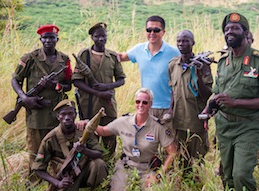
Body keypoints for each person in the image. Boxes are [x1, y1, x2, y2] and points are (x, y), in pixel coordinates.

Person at [202, 13, 259, 191]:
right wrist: (210, 108)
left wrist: (235, 102)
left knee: (241, 174)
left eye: (235, 28)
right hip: (224, 126)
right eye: (227, 29)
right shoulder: (222, 62)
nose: (229, 32)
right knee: (227, 176)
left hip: (249, 126)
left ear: (245, 33)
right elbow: (218, 93)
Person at [95, 88, 177, 191]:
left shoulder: (157, 126)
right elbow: (103, 131)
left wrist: (159, 175)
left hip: (147, 168)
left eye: (145, 102)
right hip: (127, 166)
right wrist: (86, 123)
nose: (140, 105)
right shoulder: (124, 121)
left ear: (150, 105)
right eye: (138, 102)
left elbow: (173, 152)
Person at [11, 24, 72, 182]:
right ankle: (34, 181)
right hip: (36, 113)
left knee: (57, 148)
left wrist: (56, 86)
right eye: (45, 38)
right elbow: (15, 80)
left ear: (57, 39)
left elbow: (68, 84)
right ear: (40, 39)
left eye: (51, 38)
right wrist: (24, 98)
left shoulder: (64, 60)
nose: (48, 41)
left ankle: (56, 179)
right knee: (35, 149)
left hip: (58, 113)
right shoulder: (29, 58)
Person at [32, 99, 107, 191]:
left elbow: (99, 154)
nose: (67, 117)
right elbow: (38, 169)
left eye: (70, 113)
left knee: (99, 164)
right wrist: (57, 183)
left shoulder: (84, 133)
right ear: (58, 117)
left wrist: (85, 150)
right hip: (66, 180)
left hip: (83, 173)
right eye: (63, 114)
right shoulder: (50, 139)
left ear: (75, 115)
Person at [118, 15, 180, 135]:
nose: (152, 33)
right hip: (146, 106)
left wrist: (172, 109)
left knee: (168, 144)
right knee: (148, 145)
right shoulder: (139, 50)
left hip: (167, 107)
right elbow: (120, 57)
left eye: (156, 30)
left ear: (163, 32)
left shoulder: (174, 52)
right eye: (149, 30)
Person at [72, 22, 126, 157]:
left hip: (108, 104)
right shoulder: (84, 55)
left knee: (110, 134)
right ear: (92, 37)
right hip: (89, 104)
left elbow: (121, 79)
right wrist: (98, 92)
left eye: (103, 36)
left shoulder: (113, 56)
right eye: (97, 36)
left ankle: (109, 162)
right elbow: (77, 81)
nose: (101, 39)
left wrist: (107, 87)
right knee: (89, 135)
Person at [167, 30, 213, 176]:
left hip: (195, 121)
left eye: (186, 41)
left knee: (197, 159)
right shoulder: (173, 65)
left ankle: (197, 189)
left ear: (193, 43)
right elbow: (173, 92)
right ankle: (183, 188)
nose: (181, 44)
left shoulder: (202, 65)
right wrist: (169, 111)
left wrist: (199, 75)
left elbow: (207, 94)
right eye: (179, 41)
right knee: (180, 159)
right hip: (178, 121)